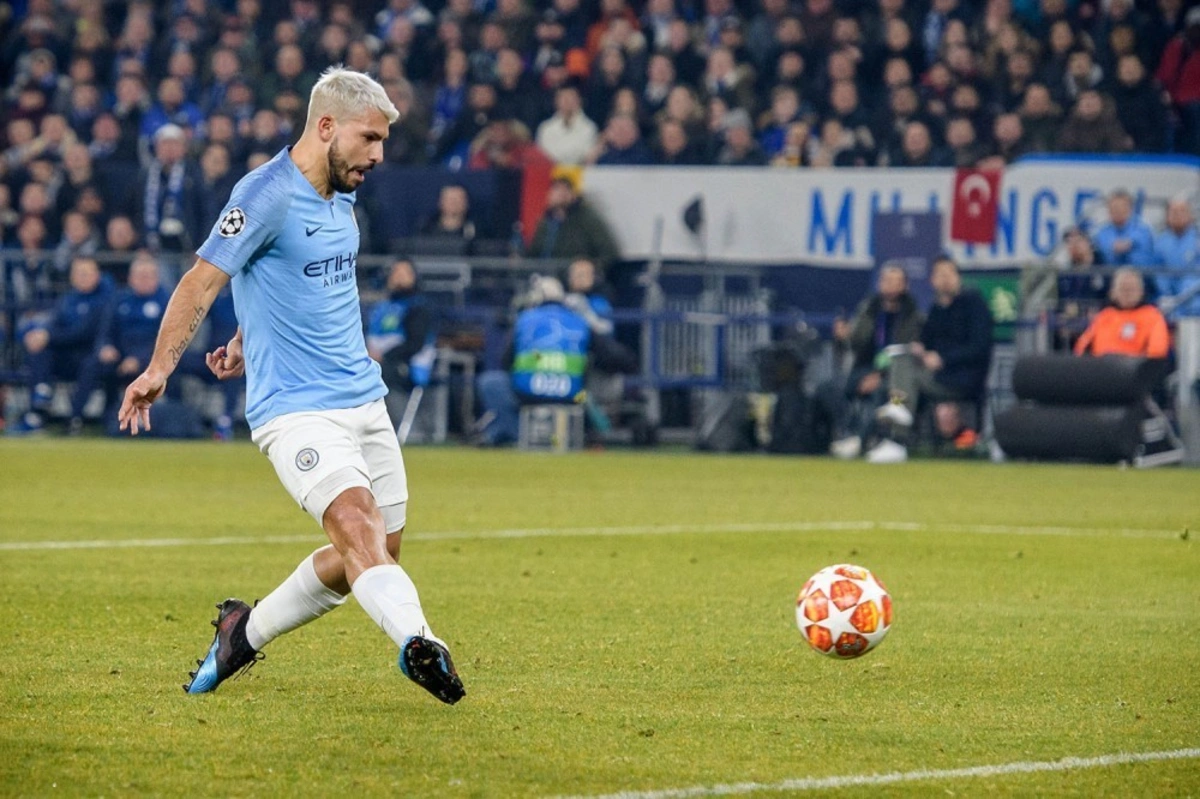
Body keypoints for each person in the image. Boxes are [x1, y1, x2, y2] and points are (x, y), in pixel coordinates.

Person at [116, 67, 464, 704]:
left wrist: (246, 337)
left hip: (364, 397)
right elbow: (202, 280)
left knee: (375, 551)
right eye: (369, 139)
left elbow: (297, 279)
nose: (378, 156)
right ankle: (421, 644)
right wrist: (158, 368)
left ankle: (242, 634)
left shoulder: (343, 190)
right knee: (356, 527)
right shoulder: (264, 193)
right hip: (296, 410)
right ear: (326, 126)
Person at [869, 256, 993, 463]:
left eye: (949, 274)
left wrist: (943, 359)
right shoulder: (936, 309)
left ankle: (897, 439)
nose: (945, 279)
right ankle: (897, 412)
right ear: (932, 280)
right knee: (902, 359)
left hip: (963, 379)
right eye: (940, 275)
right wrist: (920, 348)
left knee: (906, 381)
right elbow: (926, 340)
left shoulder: (974, 303)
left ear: (957, 277)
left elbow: (979, 348)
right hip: (937, 376)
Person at [474, 276, 591, 446]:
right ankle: (592, 433)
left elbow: (505, 360)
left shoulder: (524, 318)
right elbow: (610, 355)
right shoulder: (580, 321)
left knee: (490, 382)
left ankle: (517, 435)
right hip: (572, 396)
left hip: (527, 394)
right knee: (591, 389)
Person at [825, 265, 924, 459]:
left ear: (905, 286)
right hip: (863, 368)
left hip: (896, 376)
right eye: (886, 280)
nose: (890, 286)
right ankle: (845, 434)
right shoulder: (868, 309)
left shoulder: (913, 316)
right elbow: (854, 343)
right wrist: (843, 337)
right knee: (829, 389)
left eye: (896, 281)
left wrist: (879, 375)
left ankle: (861, 441)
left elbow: (906, 354)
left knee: (883, 392)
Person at [69, 254, 172, 434]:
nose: (143, 280)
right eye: (139, 276)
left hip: (152, 359)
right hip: (119, 355)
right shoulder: (119, 299)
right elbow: (106, 330)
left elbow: (166, 339)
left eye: (147, 276)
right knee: (91, 365)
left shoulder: (167, 302)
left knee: (172, 373)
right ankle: (75, 419)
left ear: (156, 278)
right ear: (131, 278)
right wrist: (105, 347)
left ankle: (167, 424)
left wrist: (139, 359)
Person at [12, 257, 113, 434]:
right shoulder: (68, 299)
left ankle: (74, 419)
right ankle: (38, 406)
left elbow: (84, 333)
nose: (82, 278)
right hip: (65, 355)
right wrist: (41, 335)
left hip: (88, 354)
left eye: (86, 273)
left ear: (97, 275)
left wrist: (48, 336)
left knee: (89, 364)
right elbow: (54, 324)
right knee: (39, 350)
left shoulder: (104, 300)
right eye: (78, 274)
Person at [366, 258, 437, 423]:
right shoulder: (380, 308)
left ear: (414, 277)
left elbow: (415, 344)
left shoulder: (418, 307)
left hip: (407, 366)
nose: (399, 277)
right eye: (396, 272)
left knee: (376, 373)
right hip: (376, 362)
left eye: (405, 273)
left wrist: (383, 356)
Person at [1074, 268, 1170, 359]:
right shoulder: (1105, 315)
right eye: (1123, 289)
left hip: (1134, 367)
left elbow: (1157, 352)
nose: (1127, 293)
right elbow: (1081, 348)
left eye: (1132, 289)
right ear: (1113, 293)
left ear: (1141, 291)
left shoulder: (1153, 316)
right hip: (1101, 366)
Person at [527, 176, 620, 268]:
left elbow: (609, 252)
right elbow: (533, 255)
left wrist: (590, 268)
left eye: (565, 190)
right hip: (545, 273)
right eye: (556, 189)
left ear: (573, 195)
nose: (561, 194)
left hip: (578, 273)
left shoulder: (587, 219)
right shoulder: (545, 224)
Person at [1153, 198, 1200, 318]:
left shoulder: (1197, 239)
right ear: (1167, 216)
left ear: (1191, 215)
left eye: (1182, 211)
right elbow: (1158, 271)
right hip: (1169, 298)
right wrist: (1166, 292)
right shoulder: (1160, 242)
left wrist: (1184, 295)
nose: (1178, 215)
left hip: (1194, 297)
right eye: (1174, 212)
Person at [1092, 189, 1155, 268]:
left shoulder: (1143, 230)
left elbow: (1144, 256)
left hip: (1139, 273)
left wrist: (1129, 245)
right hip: (1110, 274)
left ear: (1130, 209)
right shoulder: (1102, 233)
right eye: (1114, 207)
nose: (1118, 210)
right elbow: (1102, 255)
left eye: (1122, 207)